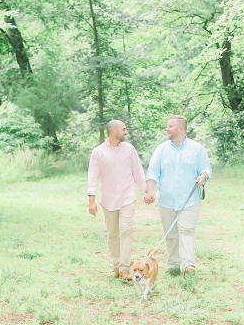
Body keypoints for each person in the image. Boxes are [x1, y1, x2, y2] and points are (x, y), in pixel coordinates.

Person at [144, 115, 211, 275]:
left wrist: (203, 176)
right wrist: (150, 191)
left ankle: (188, 266)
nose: (167, 129)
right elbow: (153, 172)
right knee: (171, 235)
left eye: (170, 126)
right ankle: (174, 264)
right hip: (166, 201)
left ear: (181, 129)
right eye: (167, 126)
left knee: (186, 231)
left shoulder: (197, 148)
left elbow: (206, 169)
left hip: (189, 201)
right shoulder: (161, 149)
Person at [87, 120, 147, 280]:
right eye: (123, 129)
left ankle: (125, 268)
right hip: (108, 199)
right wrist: (91, 200)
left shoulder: (129, 150)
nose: (126, 132)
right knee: (113, 234)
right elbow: (92, 177)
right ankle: (116, 266)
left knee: (126, 230)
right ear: (114, 131)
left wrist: (146, 191)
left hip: (128, 197)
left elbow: (138, 172)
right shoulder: (98, 152)